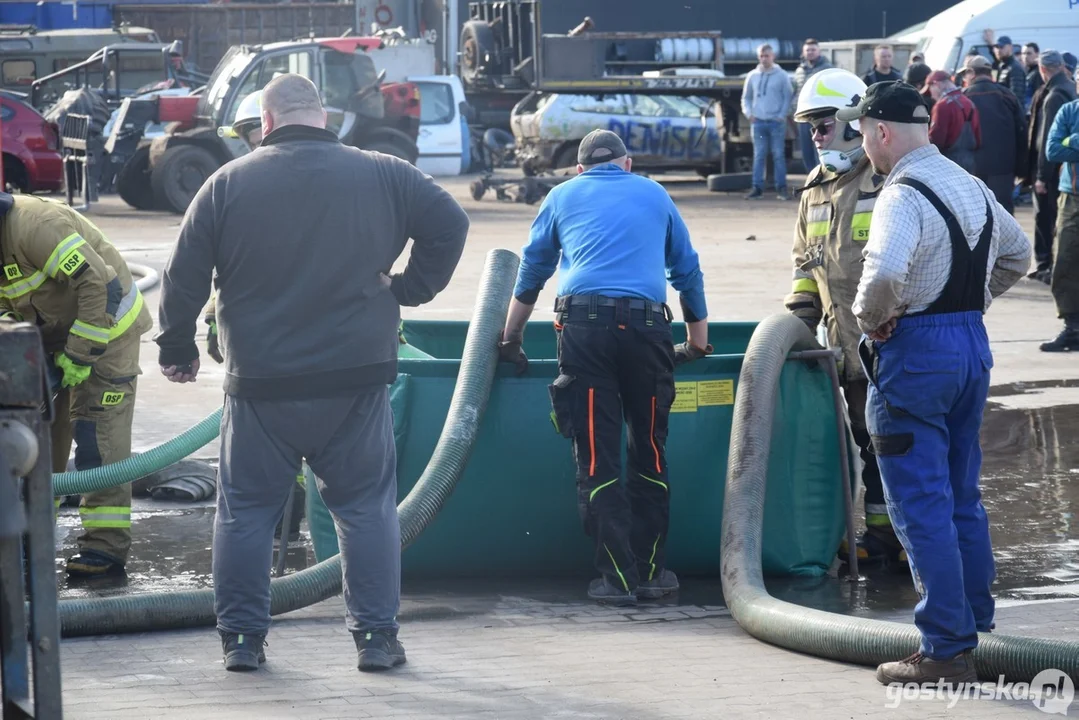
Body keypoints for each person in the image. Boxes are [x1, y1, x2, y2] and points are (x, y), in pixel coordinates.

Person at [153, 73, 469, 673]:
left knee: (245, 511)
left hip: (261, 386)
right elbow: (450, 225)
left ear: (266, 123)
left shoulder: (227, 183)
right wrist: (409, 288)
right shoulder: (386, 172)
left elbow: (182, 273)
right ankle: (376, 639)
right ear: (325, 117)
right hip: (356, 380)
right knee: (366, 508)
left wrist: (177, 348)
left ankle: (243, 642)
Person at [836, 81, 1031, 685]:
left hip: (916, 354)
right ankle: (973, 620)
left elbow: (886, 271)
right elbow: (1019, 254)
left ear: (882, 132)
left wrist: (875, 320)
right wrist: (968, 305)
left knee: (920, 506)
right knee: (960, 494)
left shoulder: (899, 196)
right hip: (970, 348)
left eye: (862, 133)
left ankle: (946, 649)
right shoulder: (968, 184)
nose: (862, 144)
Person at [498, 129, 710, 607]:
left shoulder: (561, 195)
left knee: (597, 454)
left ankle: (616, 578)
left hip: (584, 331)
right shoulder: (656, 194)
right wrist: (696, 341)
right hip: (648, 331)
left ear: (580, 170)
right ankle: (652, 573)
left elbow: (533, 270)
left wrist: (510, 339)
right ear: (627, 164)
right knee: (649, 451)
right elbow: (687, 270)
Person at [784, 69, 902, 565]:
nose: (815, 135)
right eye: (810, 126)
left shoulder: (886, 178)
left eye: (823, 123)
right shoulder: (813, 189)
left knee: (898, 445)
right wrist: (795, 329)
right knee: (866, 442)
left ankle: (906, 540)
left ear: (855, 123)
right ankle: (880, 538)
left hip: (893, 346)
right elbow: (805, 268)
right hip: (845, 349)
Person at [0, 193, 153, 576]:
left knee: (96, 435)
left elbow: (98, 284)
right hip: (52, 339)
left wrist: (81, 353)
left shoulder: (35, 226)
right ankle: (31, 537)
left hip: (108, 331)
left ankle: (105, 547)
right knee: (38, 436)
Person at [1026, 50, 1078, 283]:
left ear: (1043, 69)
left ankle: (1046, 266)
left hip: (1054, 174)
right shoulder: (1065, 90)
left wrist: (1040, 175)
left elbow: (1046, 140)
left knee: (1046, 219)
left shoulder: (1054, 95)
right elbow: (1055, 145)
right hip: (1064, 172)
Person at [962, 55, 1028, 214]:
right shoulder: (1007, 95)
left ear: (972, 73)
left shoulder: (964, 97)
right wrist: (1022, 169)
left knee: (976, 215)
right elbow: (1022, 131)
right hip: (1003, 167)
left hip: (972, 168)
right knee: (1003, 214)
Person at [1041, 89, 1079, 351]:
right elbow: (1053, 150)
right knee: (1064, 260)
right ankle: (1073, 327)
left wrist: (1071, 142)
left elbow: (1063, 146)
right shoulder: (1068, 111)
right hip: (1071, 197)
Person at [742, 43, 794, 200]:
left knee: (778, 154)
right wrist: (749, 113)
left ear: (773, 56)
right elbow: (747, 97)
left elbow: (788, 96)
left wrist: (782, 114)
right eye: (761, 56)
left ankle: (782, 188)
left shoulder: (782, 75)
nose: (764, 59)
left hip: (776, 122)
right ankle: (757, 188)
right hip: (758, 121)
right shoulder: (753, 75)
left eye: (767, 56)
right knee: (758, 155)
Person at [923, 71, 982, 174]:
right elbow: (978, 140)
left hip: (948, 166)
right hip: (970, 164)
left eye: (930, 90)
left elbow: (936, 141)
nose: (931, 96)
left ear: (936, 84)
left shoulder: (942, 106)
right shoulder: (969, 103)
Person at [792, 38, 833, 172]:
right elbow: (797, 92)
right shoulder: (799, 70)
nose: (810, 52)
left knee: (820, 149)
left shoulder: (827, 69)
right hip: (804, 116)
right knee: (806, 150)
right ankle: (811, 176)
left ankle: (822, 176)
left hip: (820, 117)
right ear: (803, 53)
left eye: (813, 50)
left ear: (819, 51)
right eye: (807, 50)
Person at [992, 34, 1027, 101]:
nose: (998, 50)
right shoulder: (1002, 66)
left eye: (1001, 47)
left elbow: (1016, 97)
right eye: (996, 47)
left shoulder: (1015, 68)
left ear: (1010, 47)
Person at [1022, 43, 1043, 114]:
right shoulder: (1027, 71)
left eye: (1029, 53)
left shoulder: (1039, 73)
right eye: (1023, 53)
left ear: (1037, 54)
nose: (1025, 56)